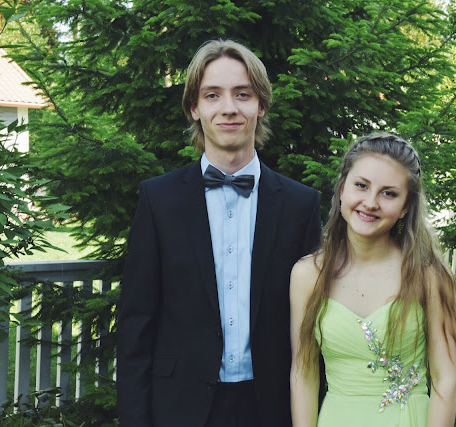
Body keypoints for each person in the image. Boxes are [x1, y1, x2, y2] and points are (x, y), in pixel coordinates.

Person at [117, 38, 322, 426]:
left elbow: (314, 329)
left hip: (272, 407)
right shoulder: (158, 201)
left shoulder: (300, 205)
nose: (229, 107)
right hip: (179, 408)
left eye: (243, 94)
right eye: (213, 95)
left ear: (261, 105)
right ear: (194, 108)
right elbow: (135, 325)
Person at [290, 132, 456, 426]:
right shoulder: (308, 275)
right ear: (342, 189)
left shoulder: (428, 274)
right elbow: (303, 373)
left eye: (389, 193)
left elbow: (446, 380)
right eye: (361, 185)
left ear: (405, 207)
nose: (370, 202)